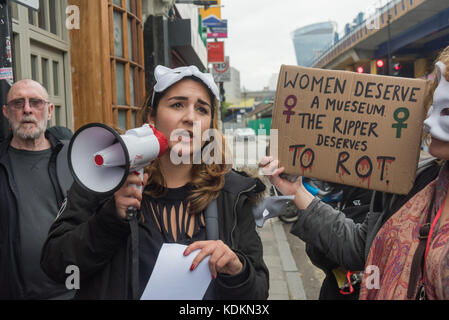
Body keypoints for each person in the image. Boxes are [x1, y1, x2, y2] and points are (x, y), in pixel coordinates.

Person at [41, 65, 269, 300]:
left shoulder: (232, 194)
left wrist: (236, 269)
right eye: (177, 105)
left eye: (202, 109)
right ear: (152, 116)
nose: (190, 117)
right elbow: (57, 265)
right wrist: (109, 219)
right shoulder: (105, 179)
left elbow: (258, 293)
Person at [261, 46, 449, 300]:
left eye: (445, 111)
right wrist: (296, 192)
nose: (427, 122)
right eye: (433, 107)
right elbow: (362, 249)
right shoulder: (416, 183)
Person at [0, 79, 74, 299]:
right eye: (17, 103)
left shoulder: (76, 157)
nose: (27, 109)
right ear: (6, 112)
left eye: (36, 102)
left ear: (50, 110)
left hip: (75, 292)